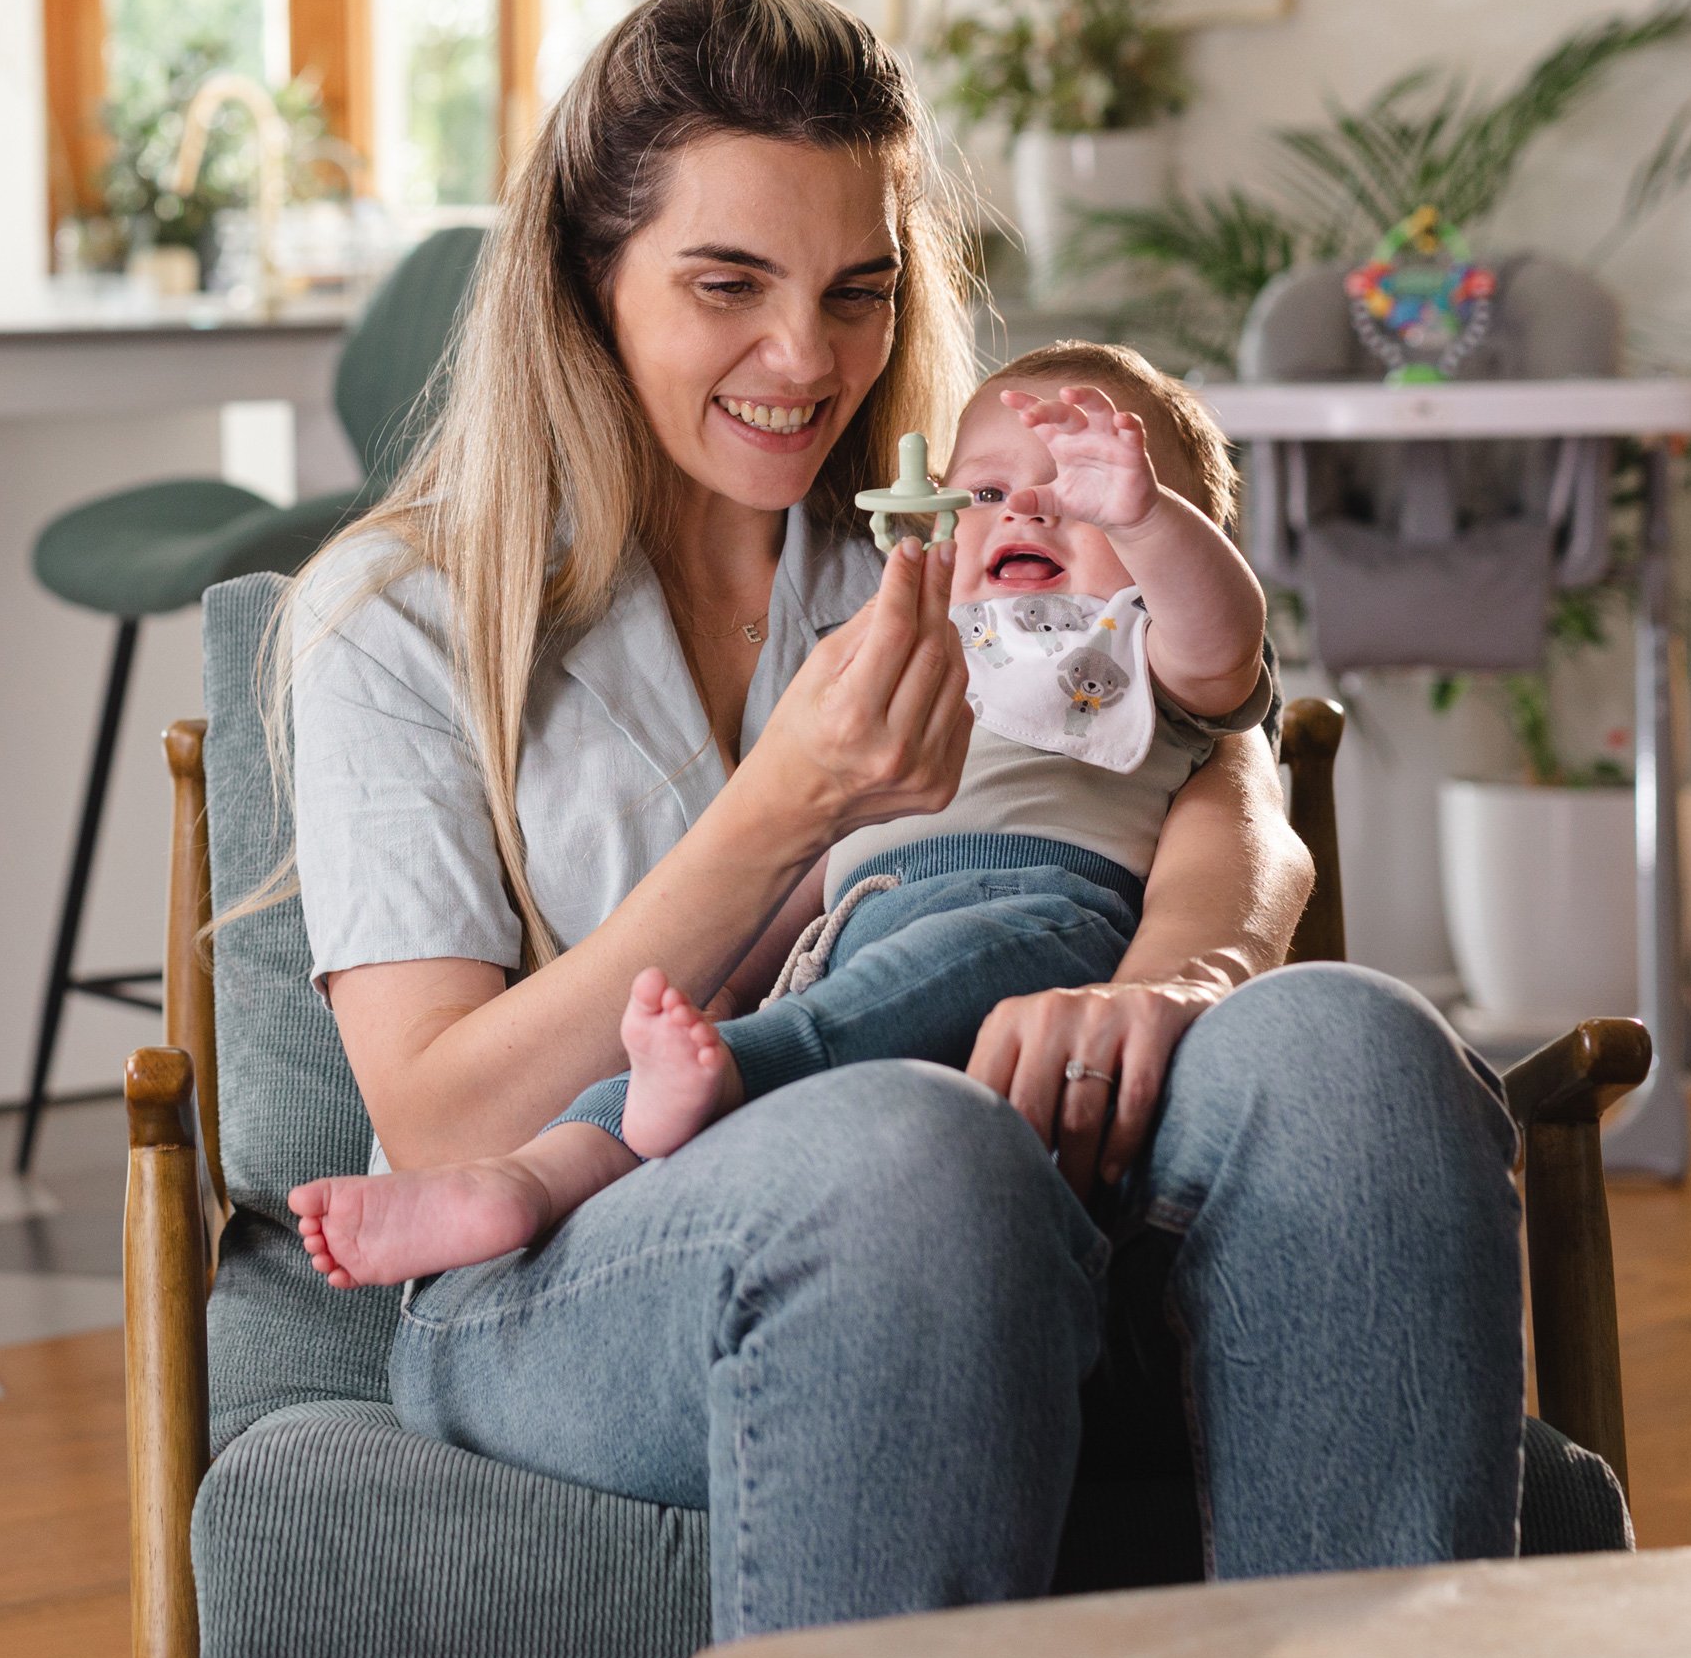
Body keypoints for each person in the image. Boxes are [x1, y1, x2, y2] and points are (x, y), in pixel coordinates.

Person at [271, 0, 1524, 1644]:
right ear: (588, 277)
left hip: (1034, 1183)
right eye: (727, 284)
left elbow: (1227, 748)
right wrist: (771, 818)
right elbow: (438, 1122)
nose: (806, 360)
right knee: (907, 1149)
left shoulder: (954, 543)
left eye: (857, 290)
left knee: (1360, 1050)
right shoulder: (402, 616)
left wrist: (1181, 980)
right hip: (580, 1267)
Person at [289, 345, 1276, 1284]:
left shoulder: (1135, 648)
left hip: (1037, 917)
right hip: (852, 935)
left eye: (1080, 488)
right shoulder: (913, 655)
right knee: (700, 1046)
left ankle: (690, 1096)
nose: (1027, 506)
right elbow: (813, 852)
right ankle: (529, 1180)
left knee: (781, 1048)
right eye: (982, 491)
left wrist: (1148, 520)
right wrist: (721, 989)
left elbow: (1224, 636)